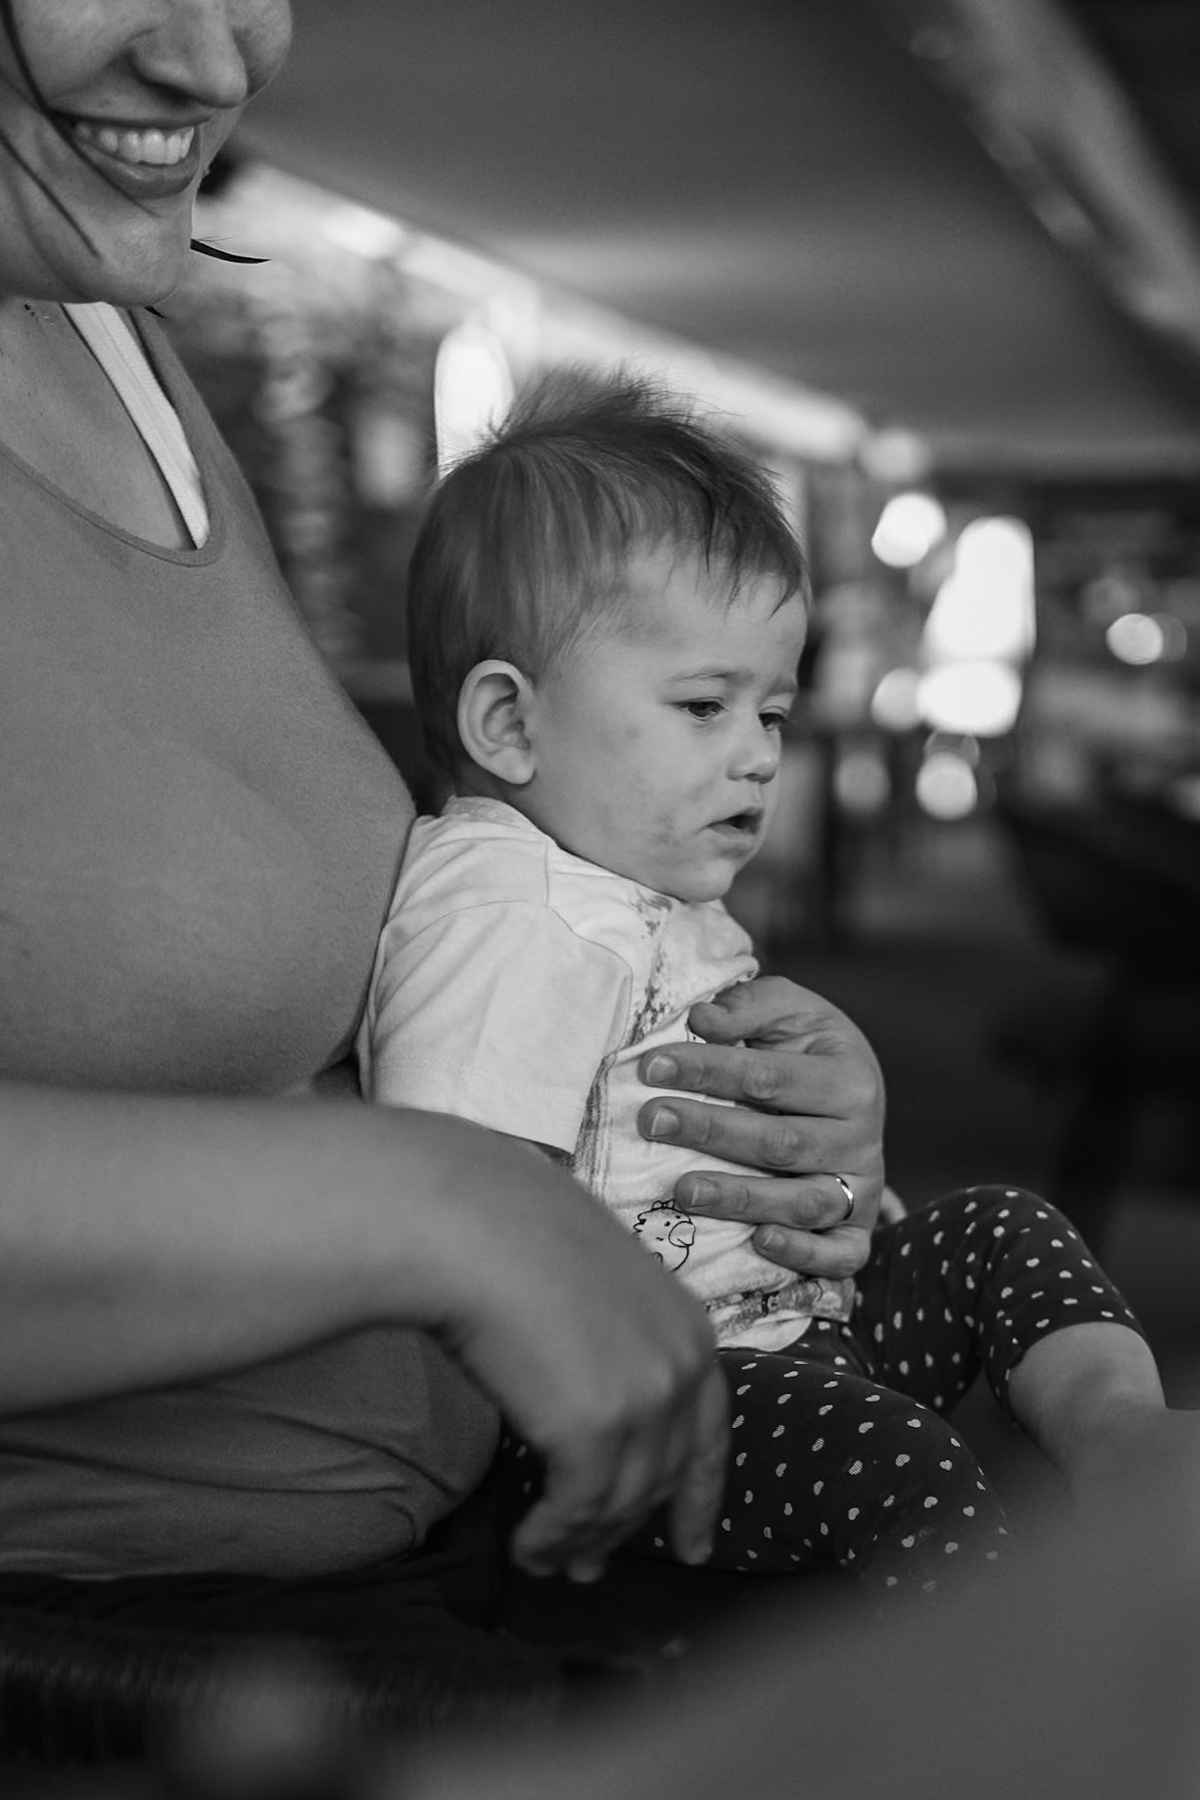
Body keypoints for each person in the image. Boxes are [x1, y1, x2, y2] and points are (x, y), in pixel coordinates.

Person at [0, 0, 889, 1707]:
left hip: (463, 1516)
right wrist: (446, 1206)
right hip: (150, 1642)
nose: (215, 57)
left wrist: (732, 1105)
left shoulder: (113, 333)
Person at [361, 370, 1190, 1614]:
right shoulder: (510, 909)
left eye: (772, 711)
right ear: (509, 724)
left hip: (789, 1330)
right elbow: (459, 1198)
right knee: (902, 1466)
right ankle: (992, 1679)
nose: (759, 753)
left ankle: (1123, 1439)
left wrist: (856, 1219)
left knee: (1004, 1229)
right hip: (637, 1400)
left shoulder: (624, 880)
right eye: (705, 706)